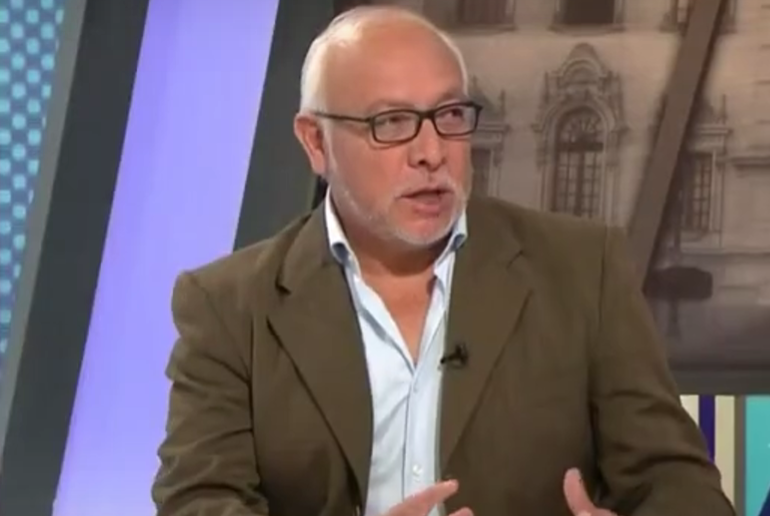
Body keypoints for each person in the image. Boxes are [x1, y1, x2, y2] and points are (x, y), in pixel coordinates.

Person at [151, 6, 735, 516]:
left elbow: (679, 485)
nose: (431, 153)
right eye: (391, 123)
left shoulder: (583, 271)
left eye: (450, 116)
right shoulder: (229, 307)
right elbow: (198, 501)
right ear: (316, 142)